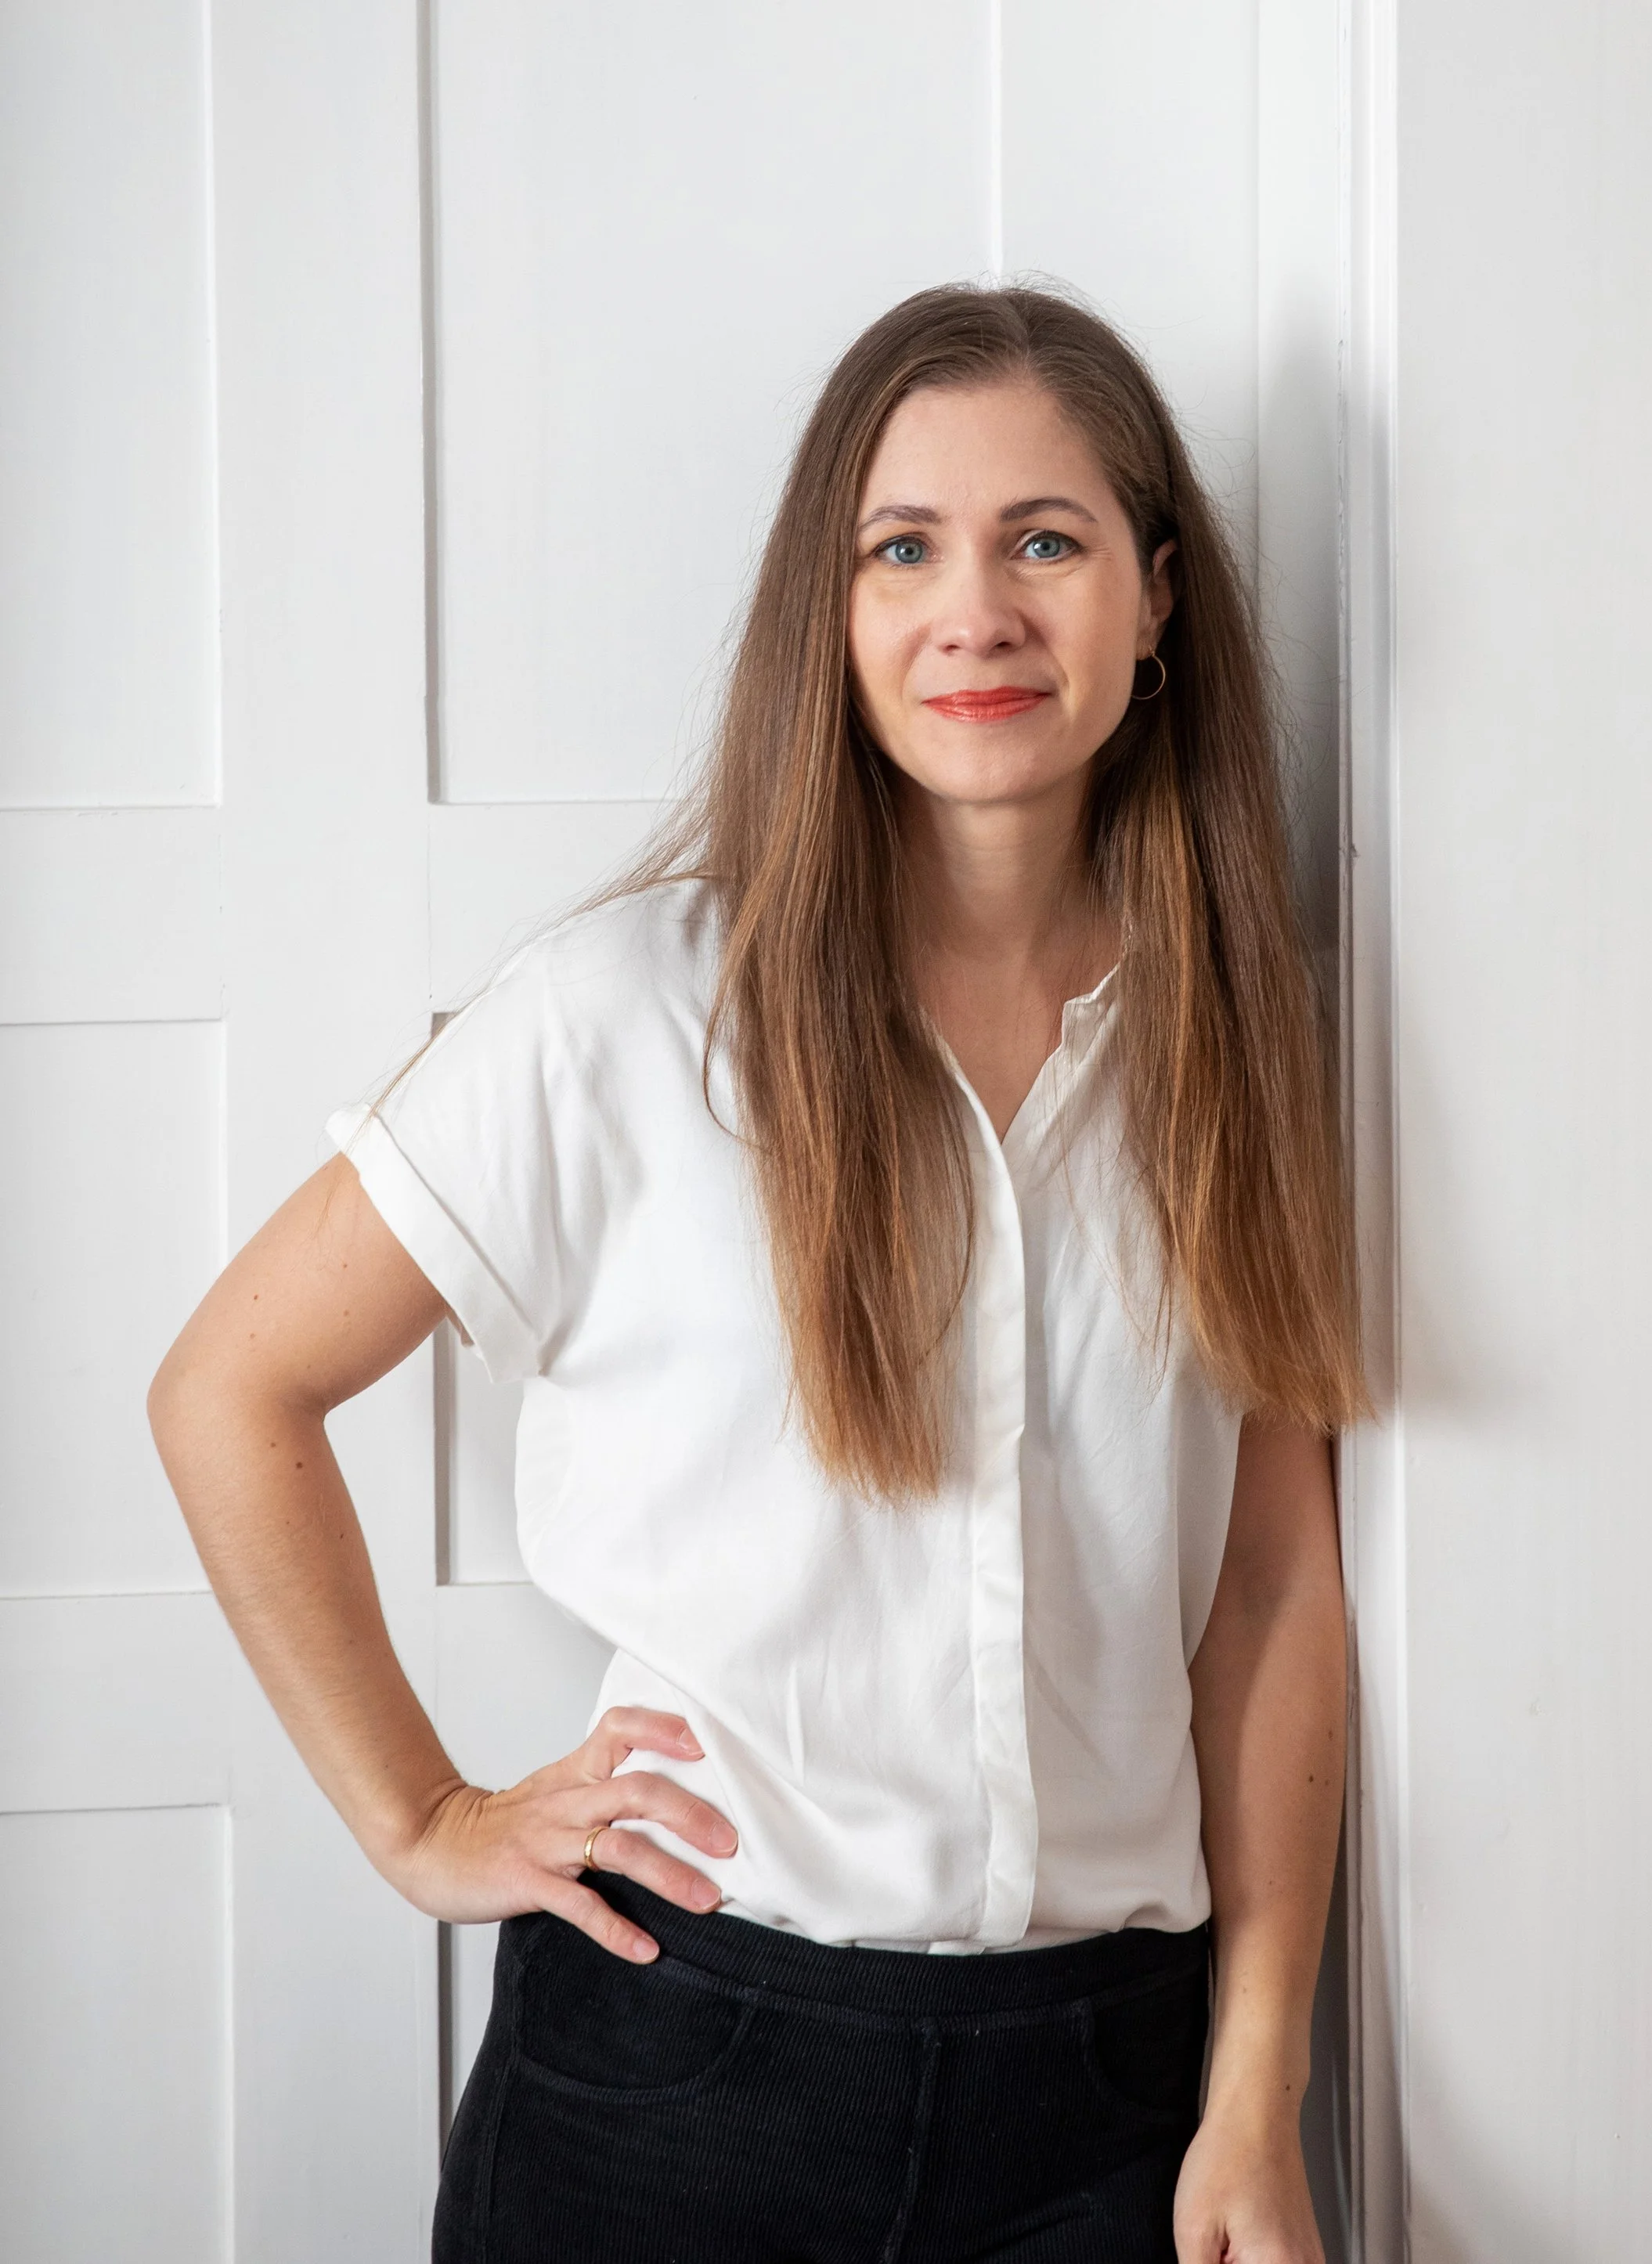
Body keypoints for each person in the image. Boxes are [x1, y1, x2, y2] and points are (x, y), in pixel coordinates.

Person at [149, 284, 1367, 2263]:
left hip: (1111, 2104)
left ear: (1153, 603)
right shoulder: (624, 1016)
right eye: (903, 550)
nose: (974, 613)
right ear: (833, 608)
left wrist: (1253, 2098)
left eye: (1042, 542)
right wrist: (421, 1818)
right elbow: (227, 1391)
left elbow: (1270, 1593)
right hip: (672, 2074)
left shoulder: (1236, 1048)